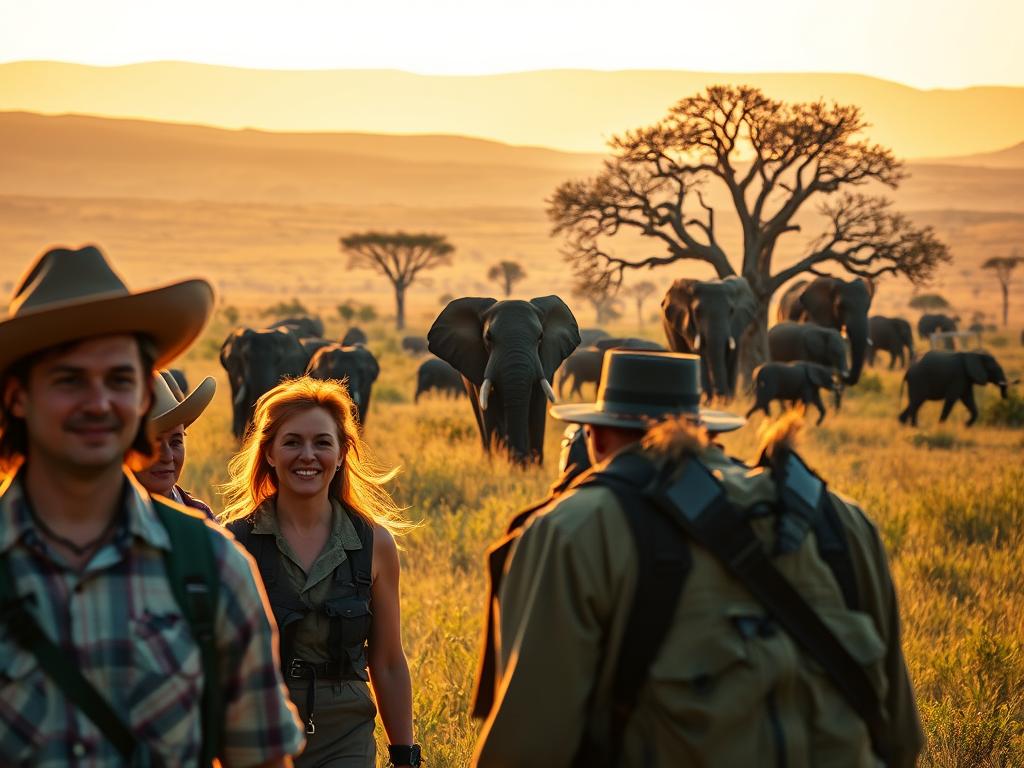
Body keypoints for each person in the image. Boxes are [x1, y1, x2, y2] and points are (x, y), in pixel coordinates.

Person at [472, 350, 923, 767]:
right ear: (707, 435)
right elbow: (901, 739)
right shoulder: (838, 521)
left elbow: (527, 752)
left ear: (596, 438)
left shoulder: (575, 530)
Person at [0, 244, 305, 767]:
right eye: (69, 379)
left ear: (144, 398)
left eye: (120, 380)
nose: (99, 402)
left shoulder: (213, 568)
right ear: (17, 397)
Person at [220, 377, 421, 768]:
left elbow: (388, 661)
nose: (307, 456)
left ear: (342, 453)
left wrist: (405, 756)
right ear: (269, 453)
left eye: (322, 443)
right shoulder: (234, 541)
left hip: (346, 734)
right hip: (258, 732)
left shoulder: (374, 542)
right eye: (292, 442)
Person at [134, 370, 218, 518]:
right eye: (153, 444)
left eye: (175, 442)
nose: (167, 457)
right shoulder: (101, 522)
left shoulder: (201, 516)